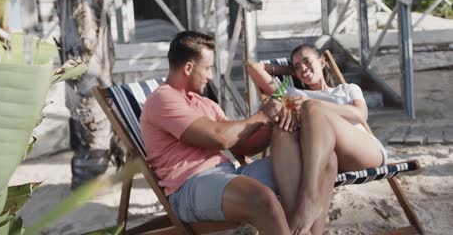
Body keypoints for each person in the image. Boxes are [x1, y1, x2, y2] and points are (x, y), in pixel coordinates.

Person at [140, 31, 333, 235]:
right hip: (189, 186)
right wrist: (262, 116)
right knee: (261, 199)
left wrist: (279, 118)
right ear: (188, 68)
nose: (210, 76)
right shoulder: (163, 99)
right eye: (207, 68)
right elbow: (221, 138)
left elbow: (244, 145)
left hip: (228, 174)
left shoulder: (205, 103)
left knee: (324, 161)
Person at [247, 44, 388, 234]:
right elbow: (253, 67)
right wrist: (290, 71)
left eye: (307, 61)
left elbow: (360, 114)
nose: (303, 68)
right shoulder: (290, 92)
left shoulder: (347, 89)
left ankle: (310, 196)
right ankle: (299, 227)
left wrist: (312, 104)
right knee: (282, 129)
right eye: (297, 66)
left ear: (322, 61)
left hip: (362, 151)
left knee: (311, 108)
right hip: (325, 159)